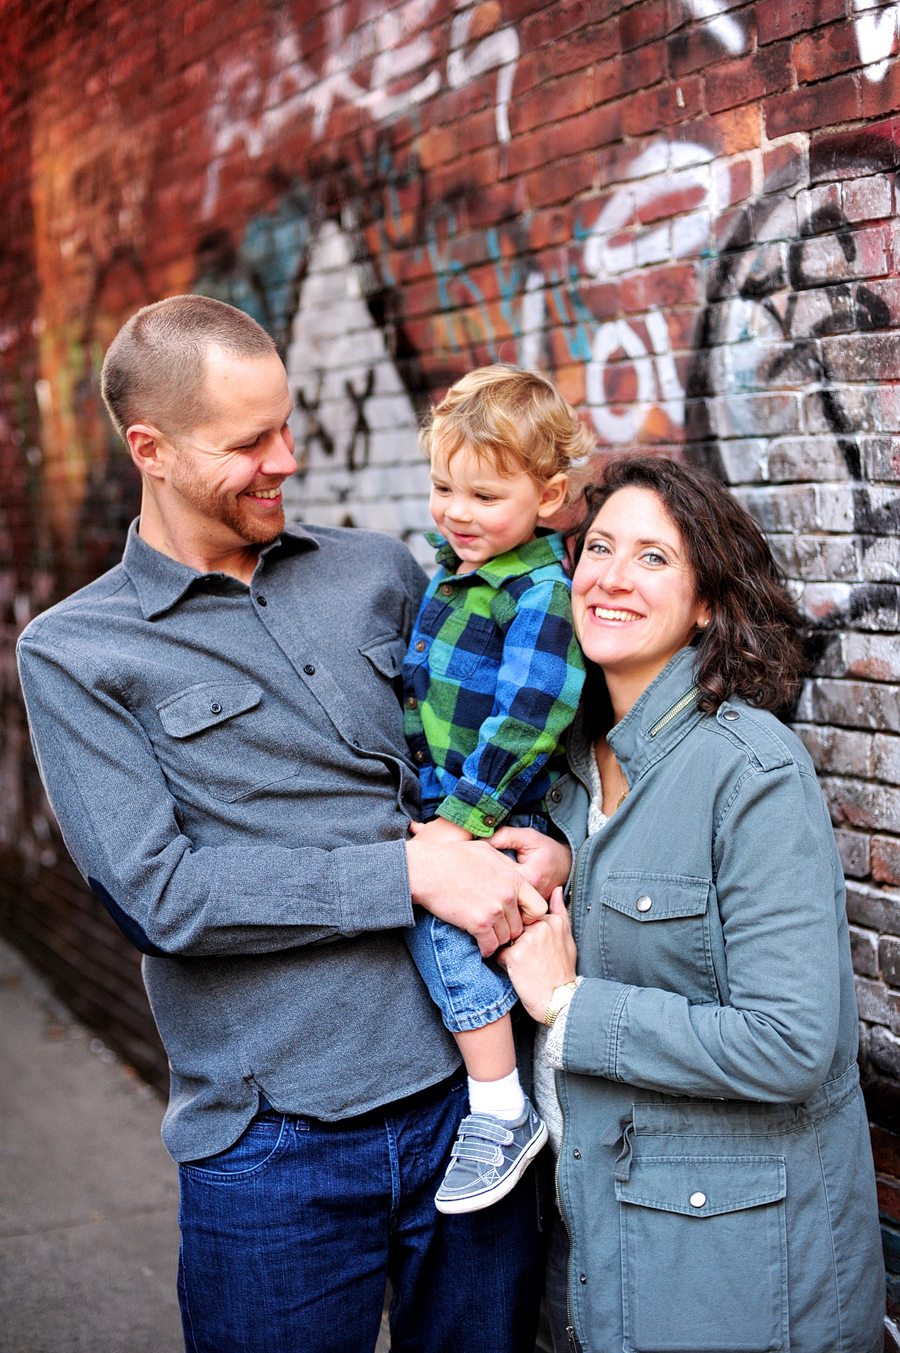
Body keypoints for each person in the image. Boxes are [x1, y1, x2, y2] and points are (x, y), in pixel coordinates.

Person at [15, 296, 569, 1353]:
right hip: (274, 1149)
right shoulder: (76, 652)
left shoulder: (383, 573)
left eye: (288, 423)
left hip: (473, 1109)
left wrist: (549, 842)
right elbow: (160, 898)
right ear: (153, 451)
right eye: (250, 442)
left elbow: (474, 756)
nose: (288, 457)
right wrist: (404, 876)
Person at [498, 455, 886, 1353]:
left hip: (729, 1271)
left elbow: (791, 1043)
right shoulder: (557, 775)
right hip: (590, 1234)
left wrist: (569, 1004)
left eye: (653, 558)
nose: (611, 577)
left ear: (707, 601)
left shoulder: (750, 771)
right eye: (598, 548)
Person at [402, 366, 591, 1213]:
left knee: (443, 931)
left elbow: (530, 715)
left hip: (494, 804)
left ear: (550, 495)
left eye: (484, 494)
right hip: (446, 800)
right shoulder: (449, 574)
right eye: (445, 487)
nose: (457, 511)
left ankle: (501, 1107)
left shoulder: (539, 591)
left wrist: (460, 823)